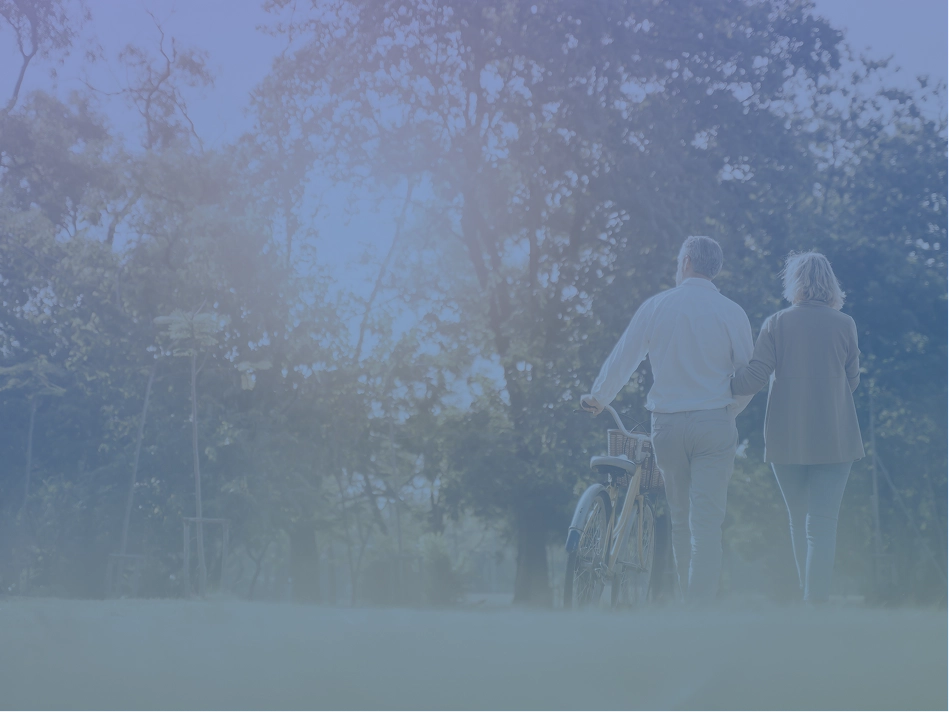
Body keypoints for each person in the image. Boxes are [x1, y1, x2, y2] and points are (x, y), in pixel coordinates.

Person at [581, 236, 754, 604]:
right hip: (714, 423)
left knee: (680, 520)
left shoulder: (658, 305)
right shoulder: (732, 312)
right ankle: (698, 608)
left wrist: (600, 397)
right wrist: (729, 411)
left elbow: (625, 356)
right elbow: (747, 376)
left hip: (667, 426)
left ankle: (687, 602)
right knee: (706, 524)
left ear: (686, 261)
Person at [731, 251, 863, 604]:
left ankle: (809, 601)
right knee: (822, 524)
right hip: (836, 438)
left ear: (794, 283)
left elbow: (754, 378)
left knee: (798, 520)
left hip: (786, 439)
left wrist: (716, 383)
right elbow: (852, 381)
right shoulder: (845, 324)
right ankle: (814, 605)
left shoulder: (776, 323)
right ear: (830, 283)